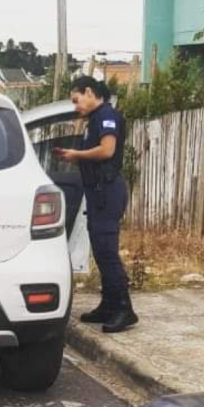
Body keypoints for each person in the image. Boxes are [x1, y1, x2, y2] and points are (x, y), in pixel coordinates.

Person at [55, 76, 138, 333]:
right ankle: (109, 305)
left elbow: (107, 150)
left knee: (107, 251)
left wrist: (76, 155)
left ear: (89, 92)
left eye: (76, 100)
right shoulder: (94, 119)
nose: (75, 106)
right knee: (101, 251)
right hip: (97, 192)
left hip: (108, 191)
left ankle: (124, 309)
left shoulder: (106, 116)